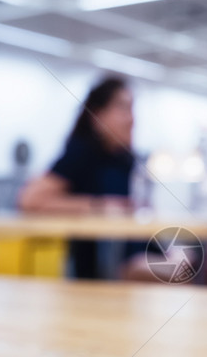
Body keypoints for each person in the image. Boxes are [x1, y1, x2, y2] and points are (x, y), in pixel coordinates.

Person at [19, 77, 140, 279]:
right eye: (122, 108)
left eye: (132, 109)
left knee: (185, 260)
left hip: (126, 252)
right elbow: (29, 200)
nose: (132, 119)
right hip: (97, 265)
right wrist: (99, 205)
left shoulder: (124, 159)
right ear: (98, 116)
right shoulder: (81, 153)